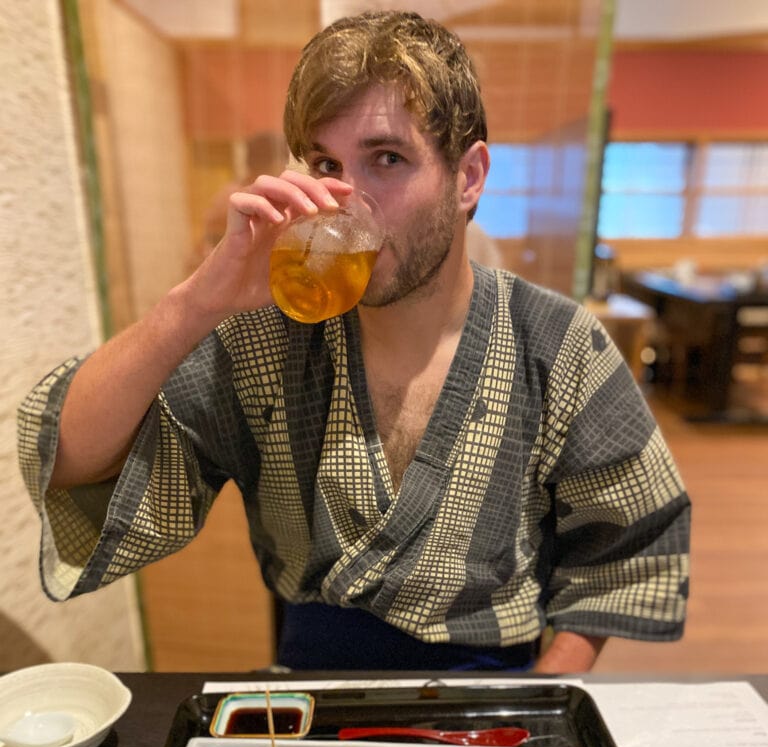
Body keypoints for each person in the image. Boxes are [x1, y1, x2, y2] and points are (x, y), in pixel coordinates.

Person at [17, 11, 690, 673]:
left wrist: (549, 693)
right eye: (325, 163)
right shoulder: (266, 344)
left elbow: (632, 540)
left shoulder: (559, 344)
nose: (346, 199)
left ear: (469, 177)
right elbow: (69, 458)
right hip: (314, 686)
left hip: (492, 696)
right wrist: (197, 301)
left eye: (387, 159)